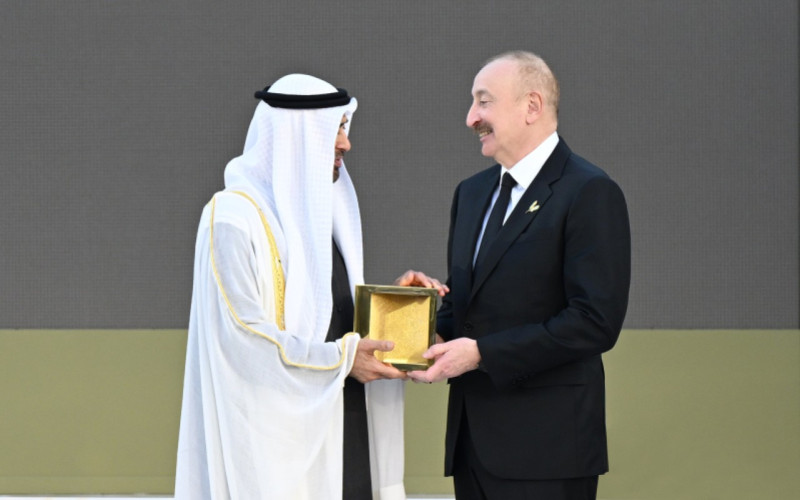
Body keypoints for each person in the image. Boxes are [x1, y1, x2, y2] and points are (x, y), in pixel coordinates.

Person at [175, 73, 445, 500]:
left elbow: (333, 324)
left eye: (344, 128)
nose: (345, 144)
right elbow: (243, 339)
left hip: (344, 428)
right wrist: (341, 360)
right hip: (277, 448)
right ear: (295, 134)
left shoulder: (323, 218)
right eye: (335, 129)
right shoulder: (231, 219)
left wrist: (398, 311)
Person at [407, 51, 631, 500]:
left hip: (548, 451)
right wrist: (414, 319)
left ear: (532, 106)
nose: (471, 117)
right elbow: (465, 309)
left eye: (484, 101)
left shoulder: (589, 191)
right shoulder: (471, 194)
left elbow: (594, 322)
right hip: (472, 448)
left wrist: (481, 354)